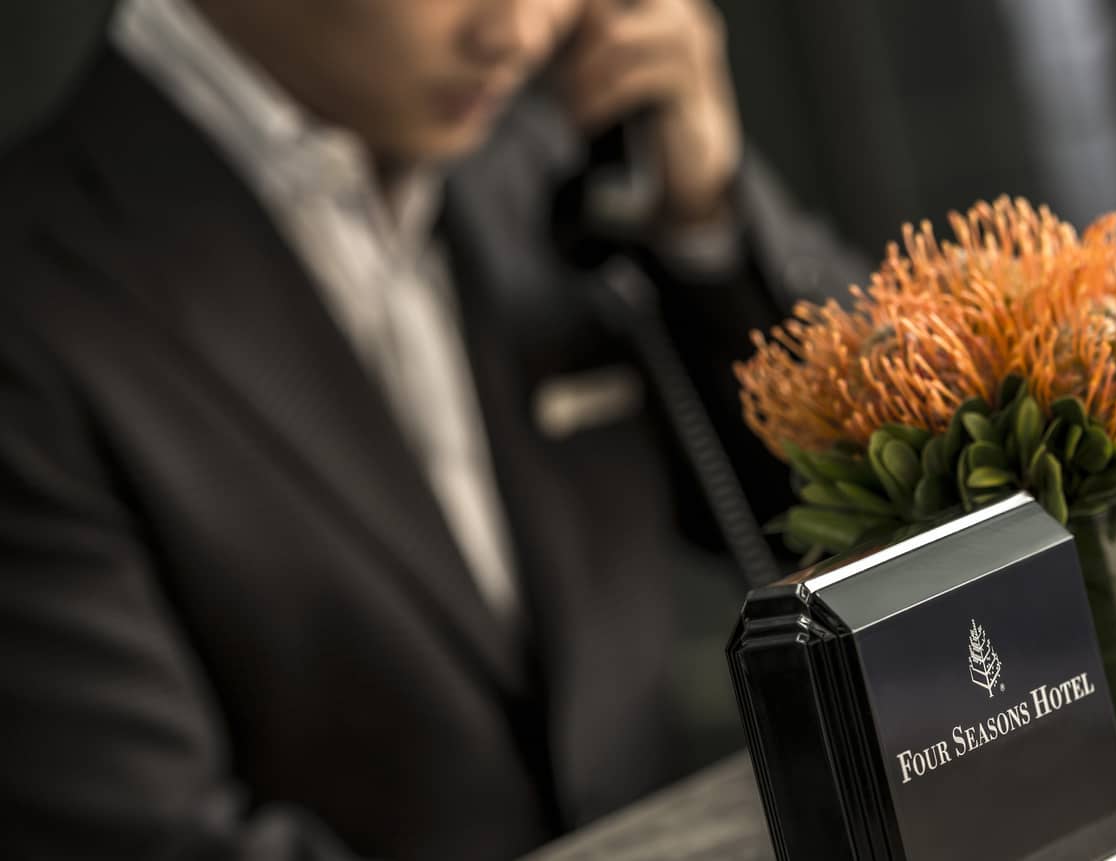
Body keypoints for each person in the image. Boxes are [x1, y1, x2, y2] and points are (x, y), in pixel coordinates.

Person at [0, 0, 862, 857]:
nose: (522, 35)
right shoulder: (37, 294)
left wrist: (704, 228)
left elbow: (856, 514)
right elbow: (144, 833)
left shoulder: (554, 160)